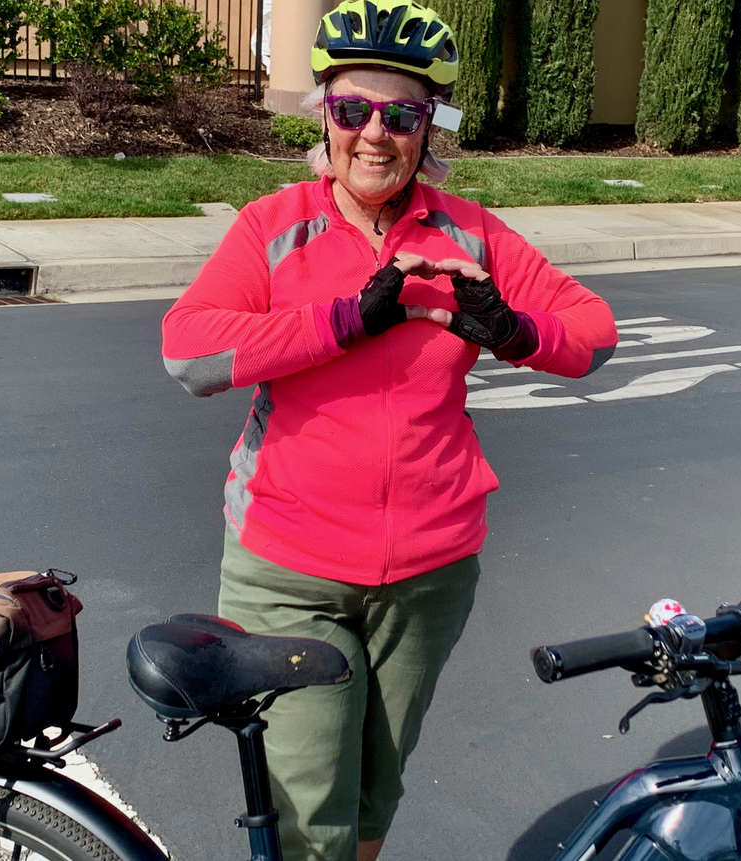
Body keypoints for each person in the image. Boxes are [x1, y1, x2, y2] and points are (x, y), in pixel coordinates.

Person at [160, 2, 618, 858]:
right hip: (288, 571)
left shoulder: (469, 232)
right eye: (352, 111)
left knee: (375, 795)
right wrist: (344, 318)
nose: (375, 135)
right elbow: (188, 353)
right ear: (324, 118)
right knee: (308, 821)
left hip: (429, 574)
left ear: (428, 128)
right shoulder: (274, 226)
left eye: (401, 114)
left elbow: (593, 333)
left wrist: (516, 333)